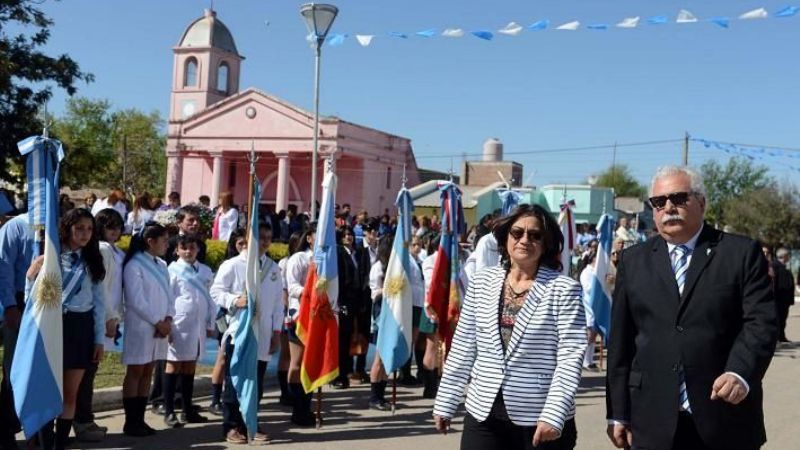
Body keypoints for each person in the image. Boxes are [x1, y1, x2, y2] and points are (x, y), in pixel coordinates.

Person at [606, 166, 778, 450]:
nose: (668, 208)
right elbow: (621, 343)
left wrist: (739, 372)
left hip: (724, 418)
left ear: (701, 202)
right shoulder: (633, 261)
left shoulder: (740, 254)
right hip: (651, 422)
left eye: (678, 198)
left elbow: (761, 324)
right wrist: (617, 413)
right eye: (659, 202)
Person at [432, 204, 585, 449]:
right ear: (505, 237)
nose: (525, 240)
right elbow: (463, 346)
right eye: (517, 232)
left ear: (546, 243)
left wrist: (553, 414)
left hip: (539, 418)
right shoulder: (482, 282)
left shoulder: (564, 289)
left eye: (535, 235)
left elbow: (571, 356)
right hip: (484, 413)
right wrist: (446, 400)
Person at [23, 209, 106, 450]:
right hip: (52, 326)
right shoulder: (51, 258)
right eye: (79, 228)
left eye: (89, 229)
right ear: (67, 229)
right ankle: (44, 442)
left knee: (70, 394)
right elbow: (32, 299)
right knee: (48, 390)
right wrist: (30, 276)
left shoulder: (93, 261)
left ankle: (60, 443)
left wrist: (99, 339)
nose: (85, 234)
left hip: (81, 329)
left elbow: (100, 304)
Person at [210, 223, 282, 444]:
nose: (265, 241)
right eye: (261, 237)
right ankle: (231, 426)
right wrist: (234, 300)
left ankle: (250, 423)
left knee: (256, 382)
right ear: (249, 239)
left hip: (263, 333)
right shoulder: (233, 264)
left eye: (269, 237)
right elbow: (216, 291)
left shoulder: (273, 268)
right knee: (235, 379)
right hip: (239, 332)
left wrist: (276, 332)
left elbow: (278, 303)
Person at [73, 208, 125, 443]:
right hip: (99, 317)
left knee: (90, 371)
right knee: (86, 372)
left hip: (106, 315)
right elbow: (102, 287)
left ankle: (85, 418)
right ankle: (82, 420)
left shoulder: (114, 251)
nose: (114, 231)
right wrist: (110, 317)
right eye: (109, 226)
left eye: (118, 227)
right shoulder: (102, 250)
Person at [121, 222, 176, 436]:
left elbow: (170, 295)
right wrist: (157, 322)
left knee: (148, 371)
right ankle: (130, 421)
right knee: (136, 371)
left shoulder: (161, 264)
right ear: (150, 241)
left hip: (160, 326)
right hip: (142, 326)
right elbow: (136, 300)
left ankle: (140, 419)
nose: (167, 245)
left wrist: (168, 319)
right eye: (164, 241)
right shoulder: (134, 265)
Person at [164, 234, 216, 428]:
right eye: (183, 248)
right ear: (177, 250)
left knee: (190, 366)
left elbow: (211, 299)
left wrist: (210, 324)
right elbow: (167, 298)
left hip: (198, 325)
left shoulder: (205, 271)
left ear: (198, 249)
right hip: (179, 324)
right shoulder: (172, 270)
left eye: (192, 247)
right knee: (174, 365)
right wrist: (168, 324)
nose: (188, 251)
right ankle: (169, 411)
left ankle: (188, 410)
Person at [0, 214, 34, 449]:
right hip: (19, 303)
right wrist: (10, 305)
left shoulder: (56, 223)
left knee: (38, 369)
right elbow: (4, 267)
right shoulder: (16, 227)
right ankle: (6, 429)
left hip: (46, 303)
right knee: (13, 369)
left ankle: (36, 428)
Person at [284, 227, 317, 426]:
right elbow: (292, 286)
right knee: (297, 362)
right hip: (299, 315)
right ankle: (297, 408)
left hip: (318, 316)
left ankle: (306, 405)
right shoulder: (299, 258)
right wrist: (312, 292)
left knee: (311, 362)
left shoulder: (327, 260)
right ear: (310, 238)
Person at [773, 248, 794, 343]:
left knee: (783, 319)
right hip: (778, 298)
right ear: (784, 256)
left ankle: (781, 336)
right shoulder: (775, 266)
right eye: (788, 256)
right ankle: (777, 337)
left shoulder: (784, 267)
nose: (789, 258)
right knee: (778, 319)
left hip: (784, 299)